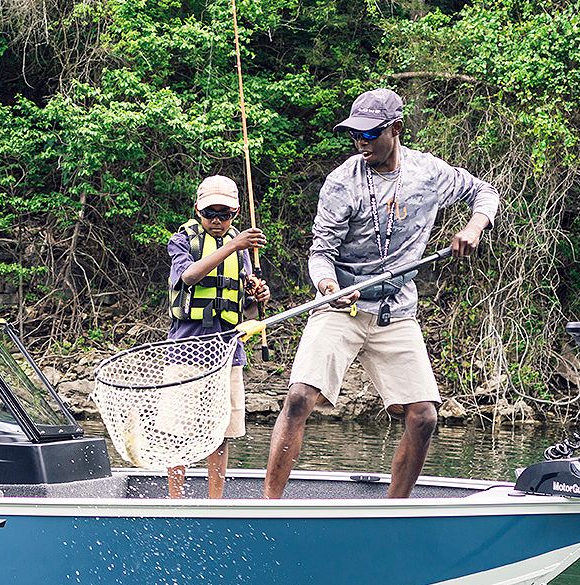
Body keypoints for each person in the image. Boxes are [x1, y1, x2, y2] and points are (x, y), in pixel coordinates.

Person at [262, 88, 500, 499]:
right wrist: (329, 286)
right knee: (300, 397)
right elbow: (320, 253)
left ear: (396, 130)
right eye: (355, 135)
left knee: (424, 416)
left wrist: (474, 227)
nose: (361, 143)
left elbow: (486, 193)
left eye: (370, 135)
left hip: (396, 309)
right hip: (342, 303)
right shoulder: (342, 182)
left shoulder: (429, 173)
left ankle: (396, 509)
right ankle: (269, 505)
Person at [163, 175, 271, 499]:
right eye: (211, 213)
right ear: (198, 209)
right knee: (177, 431)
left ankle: (215, 501)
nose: (217, 221)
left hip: (227, 350)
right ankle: (175, 501)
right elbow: (190, 276)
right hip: (186, 348)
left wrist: (258, 297)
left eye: (224, 215)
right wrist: (234, 245)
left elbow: (247, 311)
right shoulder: (182, 241)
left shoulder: (241, 249)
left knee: (221, 432)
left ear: (235, 214)